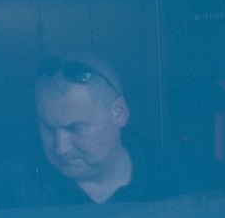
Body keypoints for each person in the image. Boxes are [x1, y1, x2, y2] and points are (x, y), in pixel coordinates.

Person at [31, 54, 152, 205]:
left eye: (75, 128)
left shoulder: (171, 179)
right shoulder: (11, 190)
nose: (61, 148)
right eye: (48, 128)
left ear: (119, 113)